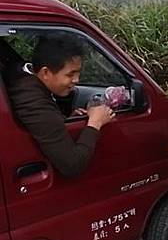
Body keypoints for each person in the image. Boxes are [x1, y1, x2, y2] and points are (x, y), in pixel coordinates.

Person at [6, 33, 114, 178]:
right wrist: (95, 123)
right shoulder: (34, 104)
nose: (77, 80)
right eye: (70, 74)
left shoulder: (23, 76)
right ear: (45, 73)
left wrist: (66, 120)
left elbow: (47, 124)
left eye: (78, 73)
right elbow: (72, 165)